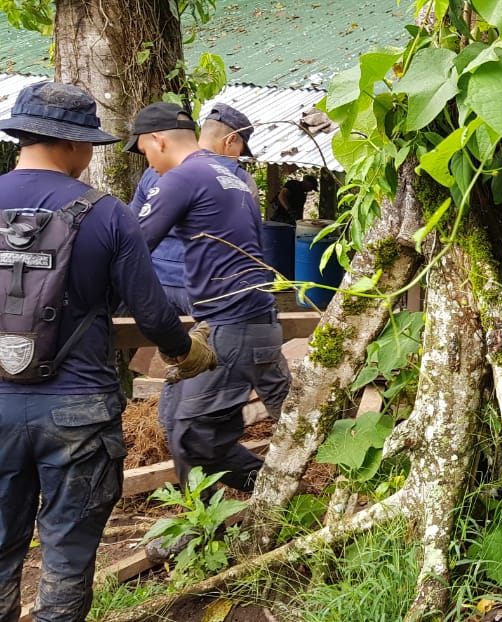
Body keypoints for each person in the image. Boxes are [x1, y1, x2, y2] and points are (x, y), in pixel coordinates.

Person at [0, 83, 215, 622]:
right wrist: (186, 354)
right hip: (79, 412)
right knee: (68, 555)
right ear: (74, 145)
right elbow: (152, 313)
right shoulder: (107, 213)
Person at [126, 102, 290, 501]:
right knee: (175, 417)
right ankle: (209, 513)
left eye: (145, 151)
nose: (149, 162)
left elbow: (130, 246)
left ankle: (274, 492)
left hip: (233, 322)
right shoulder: (230, 175)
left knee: (196, 437)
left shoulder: (184, 177)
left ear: (157, 140)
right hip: (248, 319)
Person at [129, 103, 257, 315]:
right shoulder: (239, 180)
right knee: (203, 344)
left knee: (159, 342)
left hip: (156, 282)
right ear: (231, 140)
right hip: (207, 289)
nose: (238, 157)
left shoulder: (155, 169)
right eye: (240, 151)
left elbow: (134, 226)